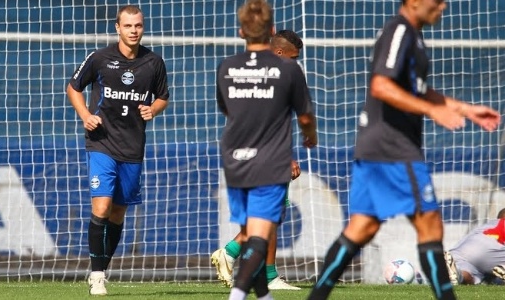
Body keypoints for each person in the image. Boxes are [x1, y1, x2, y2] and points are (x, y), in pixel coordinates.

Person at [306, 0, 500, 299]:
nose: (444, 6)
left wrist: (465, 108)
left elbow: (418, 90)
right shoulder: (400, 31)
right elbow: (381, 86)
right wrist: (432, 112)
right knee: (430, 225)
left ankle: (317, 296)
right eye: (437, 1)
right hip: (393, 146)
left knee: (362, 228)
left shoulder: (415, 36)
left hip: (376, 145)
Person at [216, 0, 317, 299]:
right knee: (262, 230)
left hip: (234, 159)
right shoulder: (288, 70)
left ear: (241, 30)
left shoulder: (227, 67)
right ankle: (238, 292)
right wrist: (308, 137)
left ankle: (264, 292)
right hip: (270, 158)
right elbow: (305, 117)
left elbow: (231, 111)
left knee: (253, 228)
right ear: (271, 30)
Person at [66, 5, 169, 296]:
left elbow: (163, 97)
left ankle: (101, 267)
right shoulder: (100, 58)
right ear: (117, 28)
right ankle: (97, 276)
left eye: (138, 26)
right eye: (128, 26)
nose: (134, 31)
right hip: (101, 142)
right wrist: (86, 116)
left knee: (118, 213)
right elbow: (73, 88)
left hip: (133, 147)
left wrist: (154, 109)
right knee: (101, 206)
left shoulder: (154, 62)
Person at [445, 208, 505, 285]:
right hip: (494, 250)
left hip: (463, 251)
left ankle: (459, 275)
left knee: (467, 276)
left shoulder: (486, 225)